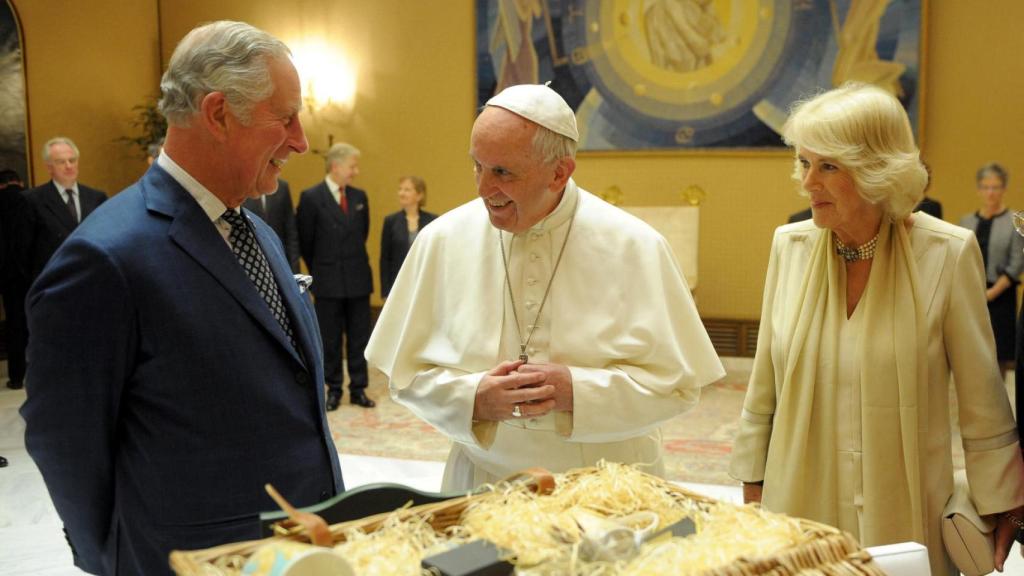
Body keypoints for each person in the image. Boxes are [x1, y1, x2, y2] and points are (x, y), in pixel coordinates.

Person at [21, 21, 343, 576]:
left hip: (299, 546)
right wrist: (119, 558)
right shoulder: (104, 259)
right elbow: (64, 439)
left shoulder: (254, 227)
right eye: (285, 117)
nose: (301, 140)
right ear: (218, 113)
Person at [366, 84, 724, 491]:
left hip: (610, 489)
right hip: (484, 484)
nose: (483, 189)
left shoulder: (635, 246)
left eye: (502, 172)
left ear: (559, 173)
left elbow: (677, 388)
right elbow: (406, 377)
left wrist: (578, 392)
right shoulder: (442, 239)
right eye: (477, 167)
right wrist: (473, 398)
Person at [729, 83, 1024, 575]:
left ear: (875, 170)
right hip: (800, 505)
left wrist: (1003, 500)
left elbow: (982, 399)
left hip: (906, 514)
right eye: (804, 163)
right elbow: (765, 384)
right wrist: (752, 481)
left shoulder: (947, 254)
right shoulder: (790, 247)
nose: (807, 183)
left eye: (827, 166)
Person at [297, 142, 375, 409]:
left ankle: (359, 388)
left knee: (359, 338)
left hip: (357, 279)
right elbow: (306, 241)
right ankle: (333, 390)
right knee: (330, 340)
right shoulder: (311, 197)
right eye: (352, 166)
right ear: (336, 166)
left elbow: (361, 234)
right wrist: (320, 271)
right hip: (327, 282)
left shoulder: (359, 197)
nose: (356, 172)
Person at [958, 163, 1023, 371]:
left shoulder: (1016, 221)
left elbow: (1016, 264)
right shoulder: (966, 221)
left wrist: (990, 294)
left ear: (1004, 189)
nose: (990, 192)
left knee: (998, 356)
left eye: (995, 187)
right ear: (979, 190)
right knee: (969, 354)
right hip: (970, 294)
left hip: (1001, 296)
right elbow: (959, 259)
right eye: (986, 187)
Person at [24, 137, 107, 278]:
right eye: (61, 162)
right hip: (53, 281)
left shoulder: (97, 198)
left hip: (92, 277)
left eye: (72, 160)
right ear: (49, 167)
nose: (68, 166)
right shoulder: (32, 200)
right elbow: (25, 253)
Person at [380, 176, 437, 298]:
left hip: (424, 281)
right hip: (399, 283)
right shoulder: (391, 221)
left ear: (419, 195)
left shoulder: (432, 220)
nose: (401, 193)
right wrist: (386, 291)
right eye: (400, 189)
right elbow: (385, 259)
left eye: (407, 190)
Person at [0, 168, 29, 389]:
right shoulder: (30, 200)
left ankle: (16, 377)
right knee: (29, 321)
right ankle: (29, 371)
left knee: (13, 323)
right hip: (27, 271)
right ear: (19, 182)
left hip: (5, 272)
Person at [244, 179, 300, 272]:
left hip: (280, 259)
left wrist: (294, 268)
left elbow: (291, 230)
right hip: (253, 261)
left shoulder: (282, 187)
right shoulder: (244, 186)